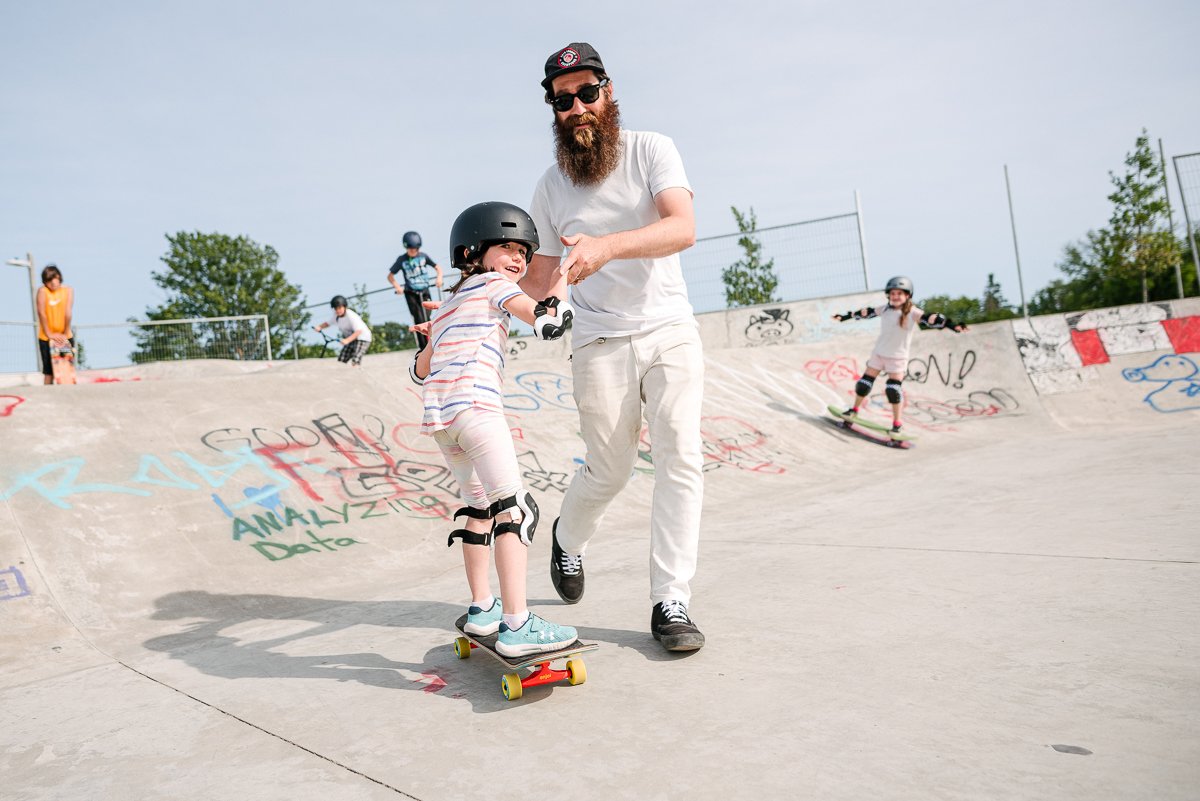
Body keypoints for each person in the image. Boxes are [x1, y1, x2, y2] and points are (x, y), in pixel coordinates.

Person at [523, 42, 706, 652]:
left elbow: (682, 227)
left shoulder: (652, 149)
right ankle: (567, 541)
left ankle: (670, 601)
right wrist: (477, 293)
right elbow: (544, 279)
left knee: (680, 454)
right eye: (562, 99)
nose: (576, 107)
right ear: (553, 108)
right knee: (611, 469)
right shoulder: (549, 188)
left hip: (667, 326)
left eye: (586, 93)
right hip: (598, 336)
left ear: (608, 92)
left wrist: (606, 247)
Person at [409, 201, 577, 657]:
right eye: (507, 246)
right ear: (474, 252)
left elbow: (420, 372)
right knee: (515, 511)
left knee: (478, 508)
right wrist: (564, 276)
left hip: (444, 421)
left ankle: (482, 608)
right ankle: (517, 623)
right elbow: (548, 321)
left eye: (524, 252)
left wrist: (432, 340)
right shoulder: (492, 285)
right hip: (478, 411)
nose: (518, 259)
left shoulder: (446, 307)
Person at [831, 275, 969, 433]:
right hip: (879, 354)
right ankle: (854, 410)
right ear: (888, 295)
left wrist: (953, 326)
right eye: (893, 293)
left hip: (897, 358)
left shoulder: (913, 312)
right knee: (863, 384)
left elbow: (931, 318)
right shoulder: (884, 309)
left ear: (907, 295)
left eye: (900, 293)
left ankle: (897, 424)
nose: (895, 296)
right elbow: (866, 313)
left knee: (893, 391)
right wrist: (844, 317)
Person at [387, 231, 443, 350]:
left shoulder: (423, 256)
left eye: (416, 249)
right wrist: (398, 287)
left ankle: (434, 341)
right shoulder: (402, 260)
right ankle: (423, 348)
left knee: (427, 316)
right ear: (406, 247)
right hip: (411, 293)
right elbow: (390, 276)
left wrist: (439, 278)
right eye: (411, 249)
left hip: (425, 290)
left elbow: (438, 268)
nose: (414, 251)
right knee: (418, 318)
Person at [35, 263, 74, 385]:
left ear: (59, 277)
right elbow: (42, 313)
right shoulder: (43, 291)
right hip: (46, 337)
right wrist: (50, 333)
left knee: (66, 368)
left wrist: (65, 333)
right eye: (49, 280)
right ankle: (48, 397)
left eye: (54, 278)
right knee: (49, 372)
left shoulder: (68, 290)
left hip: (64, 337)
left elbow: (68, 313)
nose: (52, 283)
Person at [313, 295, 372, 367]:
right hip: (351, 339)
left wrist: (347, 340)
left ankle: (356, 373)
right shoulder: (336, 316)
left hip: (363, 338)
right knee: (341, 360)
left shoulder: (350, 315)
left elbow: (359, 331)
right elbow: (328, 323)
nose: (338, 310)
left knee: (355, 360)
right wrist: (319, 327)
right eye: (336, 308)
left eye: (340, 308)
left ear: (344, 307)